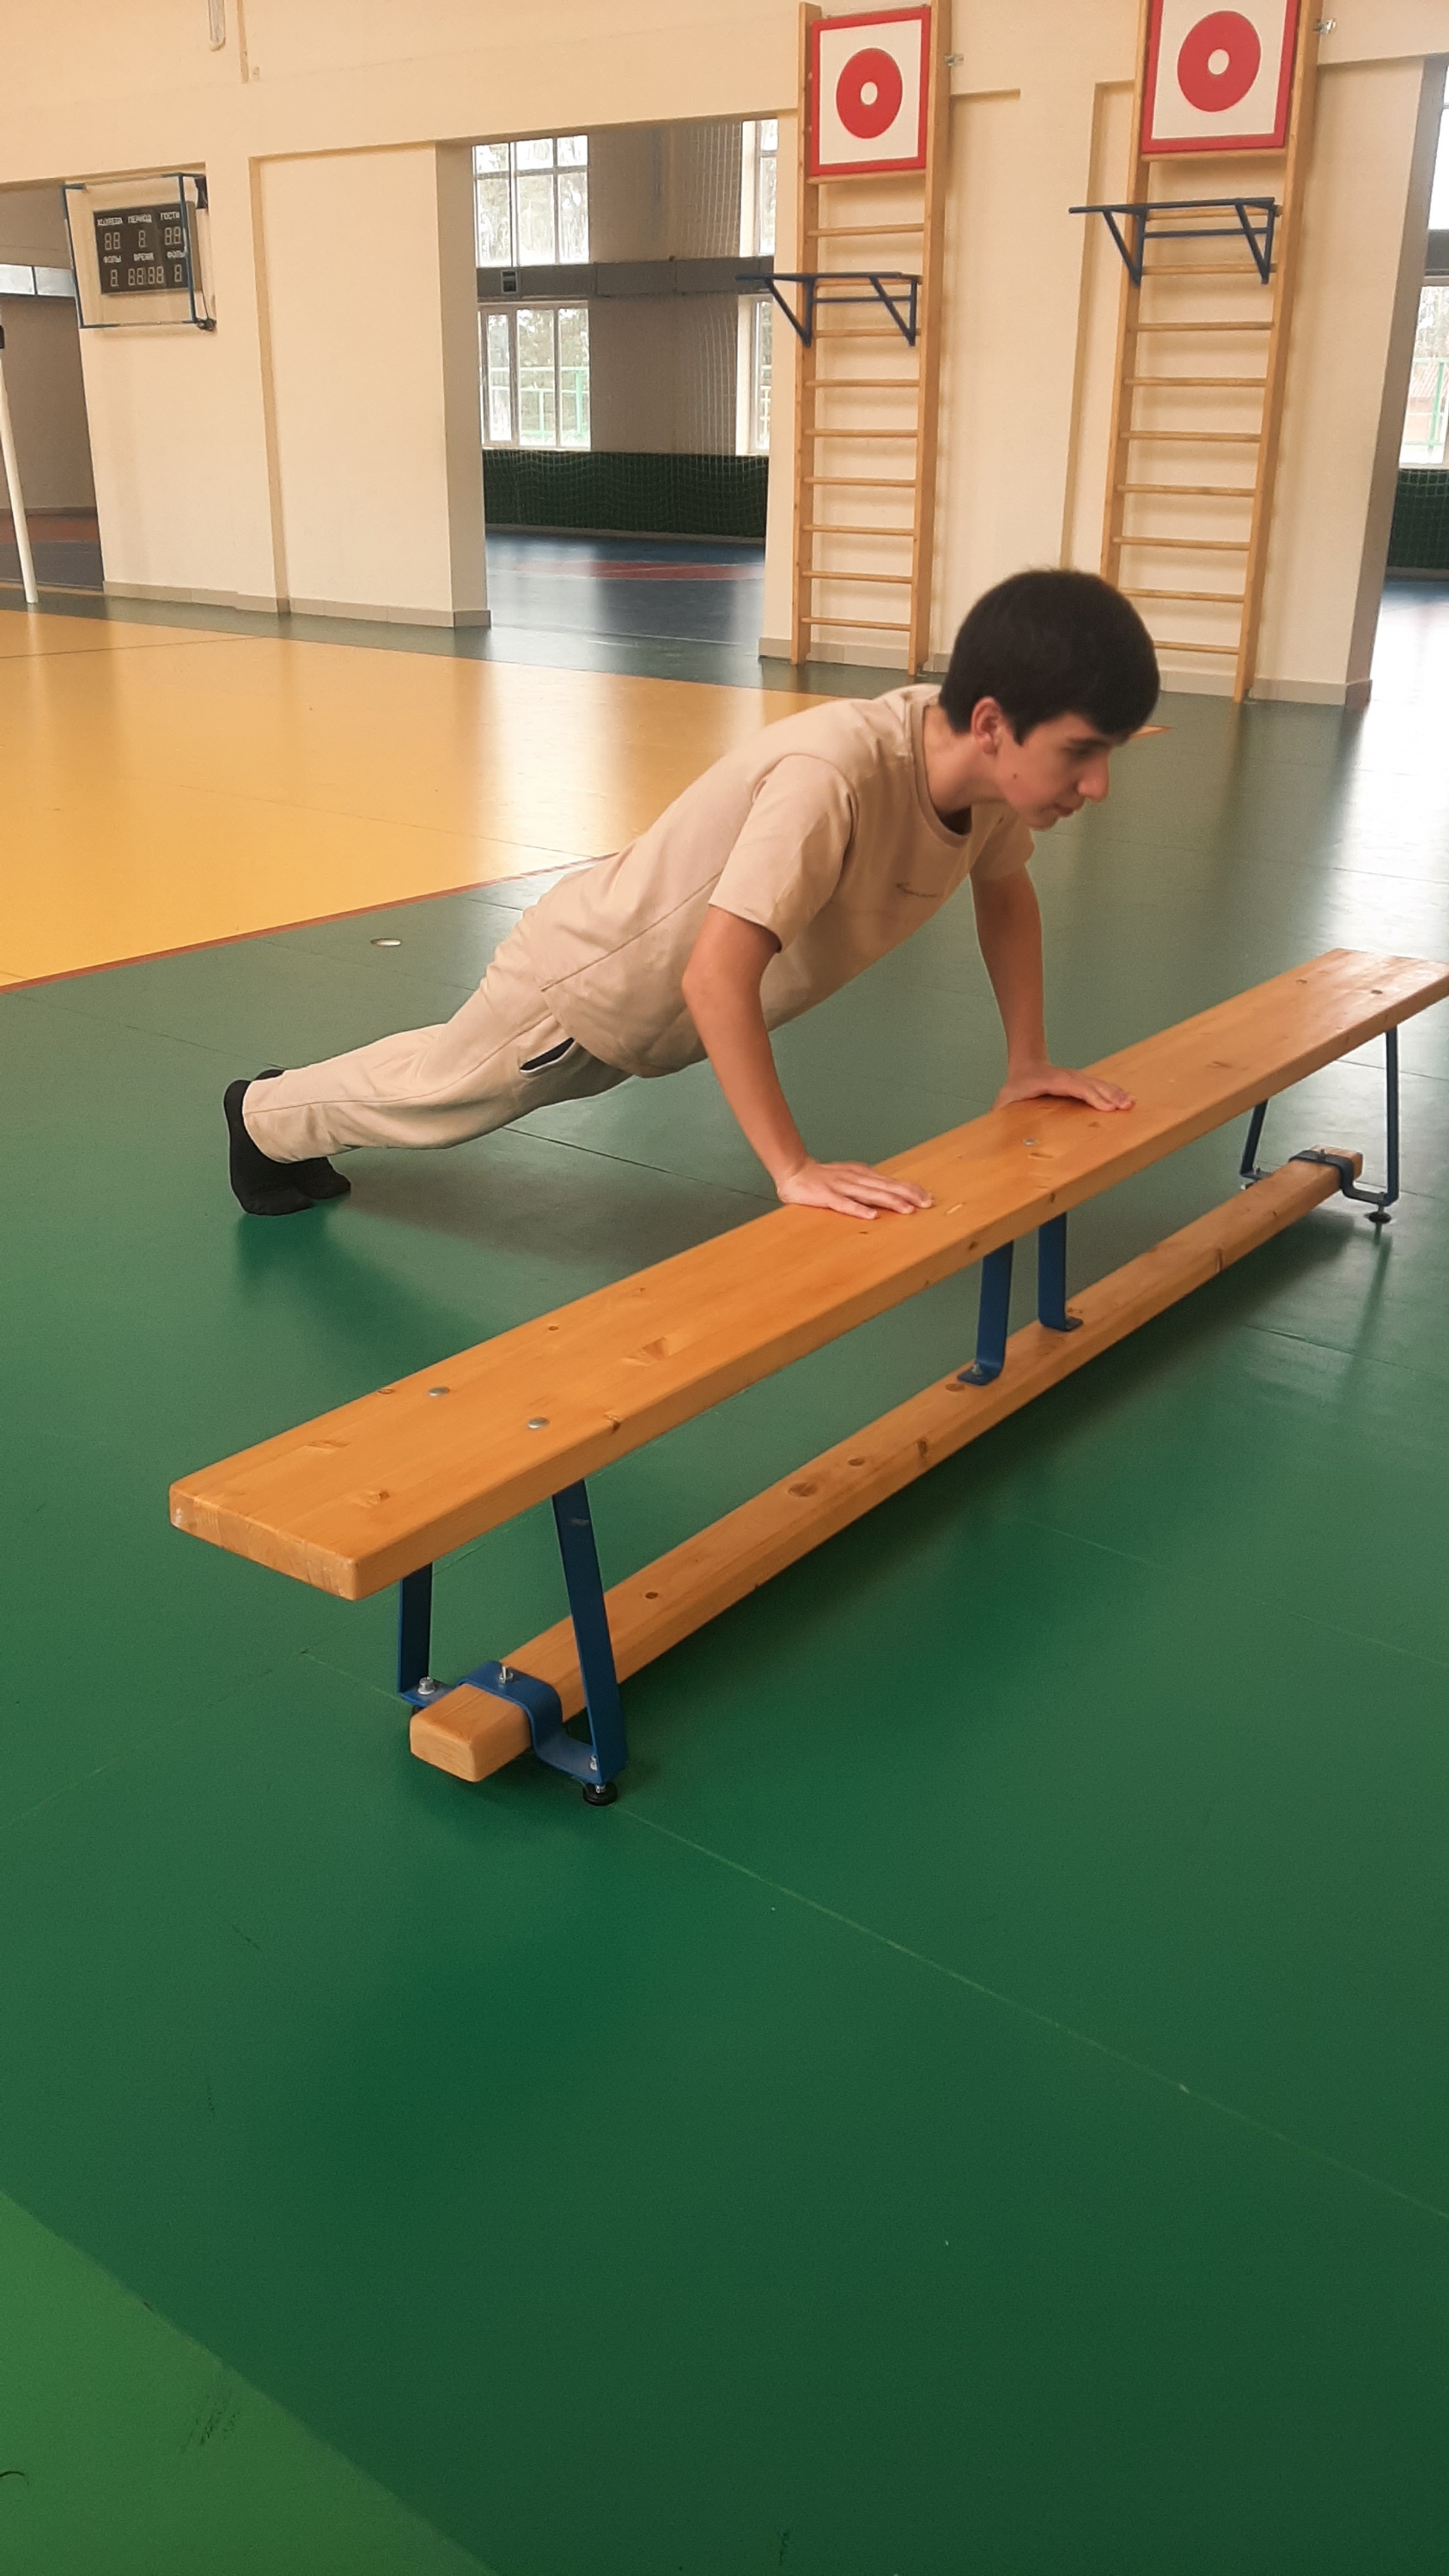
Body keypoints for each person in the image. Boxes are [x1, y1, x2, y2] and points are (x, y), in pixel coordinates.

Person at [225, 568, 1159, 1223]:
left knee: (441, 1071)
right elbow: (716, 977)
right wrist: (791, 1168)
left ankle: (279, 1105)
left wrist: (1027, 1059)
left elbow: (1005, 893)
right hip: (592, 984)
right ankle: (260, 1118)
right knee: (441, 1098)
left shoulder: (980, 778)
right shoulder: (833, 777)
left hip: (655, 1005)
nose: (1099, 786)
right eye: (1081, 753)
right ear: (992, 724)